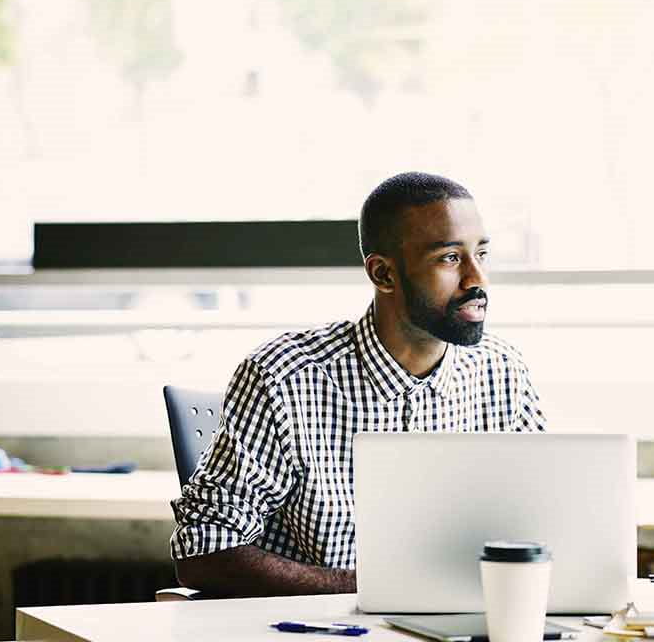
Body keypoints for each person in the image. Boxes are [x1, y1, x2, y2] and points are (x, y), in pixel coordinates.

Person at [169, 172, 546, 596]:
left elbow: (540, 519)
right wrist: (375, 588)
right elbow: (203, 552)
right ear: (383, 274)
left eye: (482, 253)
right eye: (450, 259)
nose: (478, 279)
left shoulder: (502, 372)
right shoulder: (283, 378)